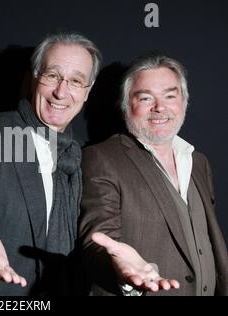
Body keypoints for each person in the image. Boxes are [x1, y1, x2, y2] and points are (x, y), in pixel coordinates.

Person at [0, 32, 101, 296]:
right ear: (35, 76)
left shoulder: (82, 154)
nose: (61, 92)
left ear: (88, 91)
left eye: (75, 81)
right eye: (52, 75)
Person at [79, 54, 228, 296]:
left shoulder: (199, 162)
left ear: (184, 102)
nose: (160, 108)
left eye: (170, 96)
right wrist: (122, 271)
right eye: (146, 98)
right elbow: (97, 240)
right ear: (127, 105)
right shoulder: (101, 158)